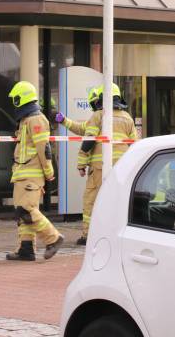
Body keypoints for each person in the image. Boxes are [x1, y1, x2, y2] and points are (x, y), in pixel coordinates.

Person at [59, 83, 137, 245]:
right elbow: (134, 144)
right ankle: (115, 233)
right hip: (121, 169)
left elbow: (89, 140)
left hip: (100, 167)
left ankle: (88, 236)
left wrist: (81, 163)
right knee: (116, 201)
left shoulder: (99, 115)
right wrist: (65, 121)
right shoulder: (127, 117)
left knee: (91, 200)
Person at [6, 80, 63, 262]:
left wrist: (48, 173)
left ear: (22, 99)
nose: (13, 102)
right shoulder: (25, 121)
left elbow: (43, 149)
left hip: (31, 174)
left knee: (26, 209)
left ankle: (53, 238)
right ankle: (26, 248)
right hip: (22, 174)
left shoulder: (36, 119)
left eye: (15, 99)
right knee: (21, 213)